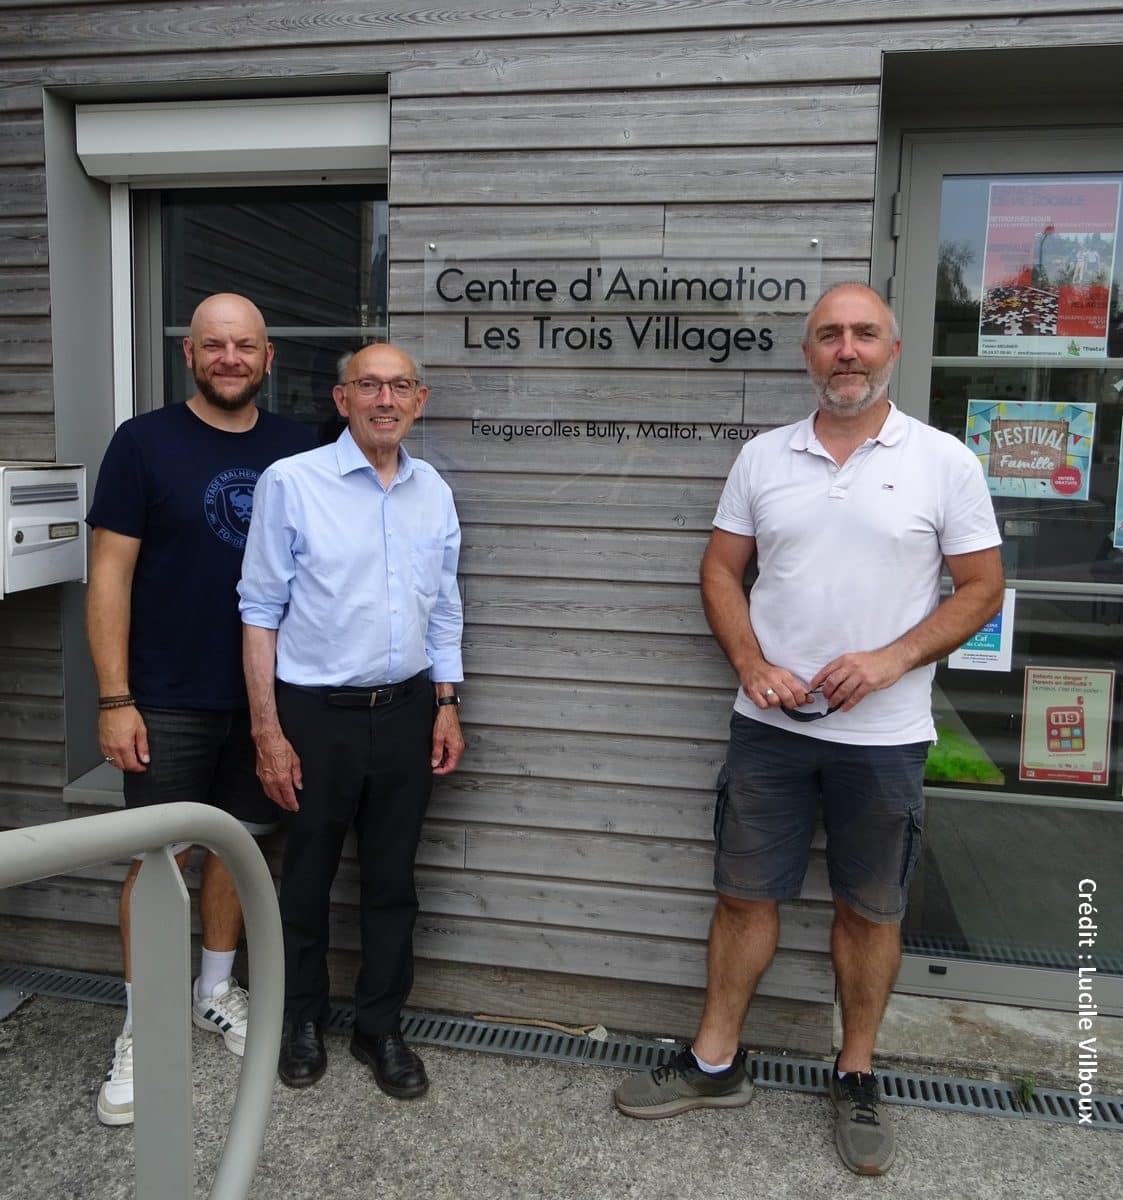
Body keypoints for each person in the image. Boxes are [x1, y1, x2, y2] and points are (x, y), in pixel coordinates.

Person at [612, 283, 1004, 1176]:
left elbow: (982, 587)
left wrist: (891, 659)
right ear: (807, 353)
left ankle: (856, 1074)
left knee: (869, 911)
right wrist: (751, 664)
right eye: (829, 335)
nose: (846, 351)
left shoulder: (945, 461)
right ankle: (715, 1063)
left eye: (864, 334)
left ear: (892, 349)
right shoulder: (763, 457)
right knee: (743, 896)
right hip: (769, 728)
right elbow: (719, 571)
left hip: (886, 734)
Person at [86, 292, 314, 1126]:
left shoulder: (301, 446)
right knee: (158, 861)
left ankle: (216, 991)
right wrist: (115, 698)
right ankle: (143, 1029)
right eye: (214, 345)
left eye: (244, 346)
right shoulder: (142, 444)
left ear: (267, 358)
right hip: (167, 695)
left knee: (241, 849)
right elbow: (107, 575)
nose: (229, 358)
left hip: (269, 699)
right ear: (189, 353)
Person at [238, 342, 464, 1097]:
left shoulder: (432, 489)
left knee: (393, 883)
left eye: (399, 386)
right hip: (312, 717)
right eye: (367, 385)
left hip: (405, 712)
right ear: (341, 400)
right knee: (305, 879)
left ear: (419, 400)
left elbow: (445, 605)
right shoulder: (291, 483)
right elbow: (259, 612)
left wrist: (446, 703)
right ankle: (300, 1018)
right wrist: (267, 732)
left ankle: (379, 1027)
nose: (384, 399)